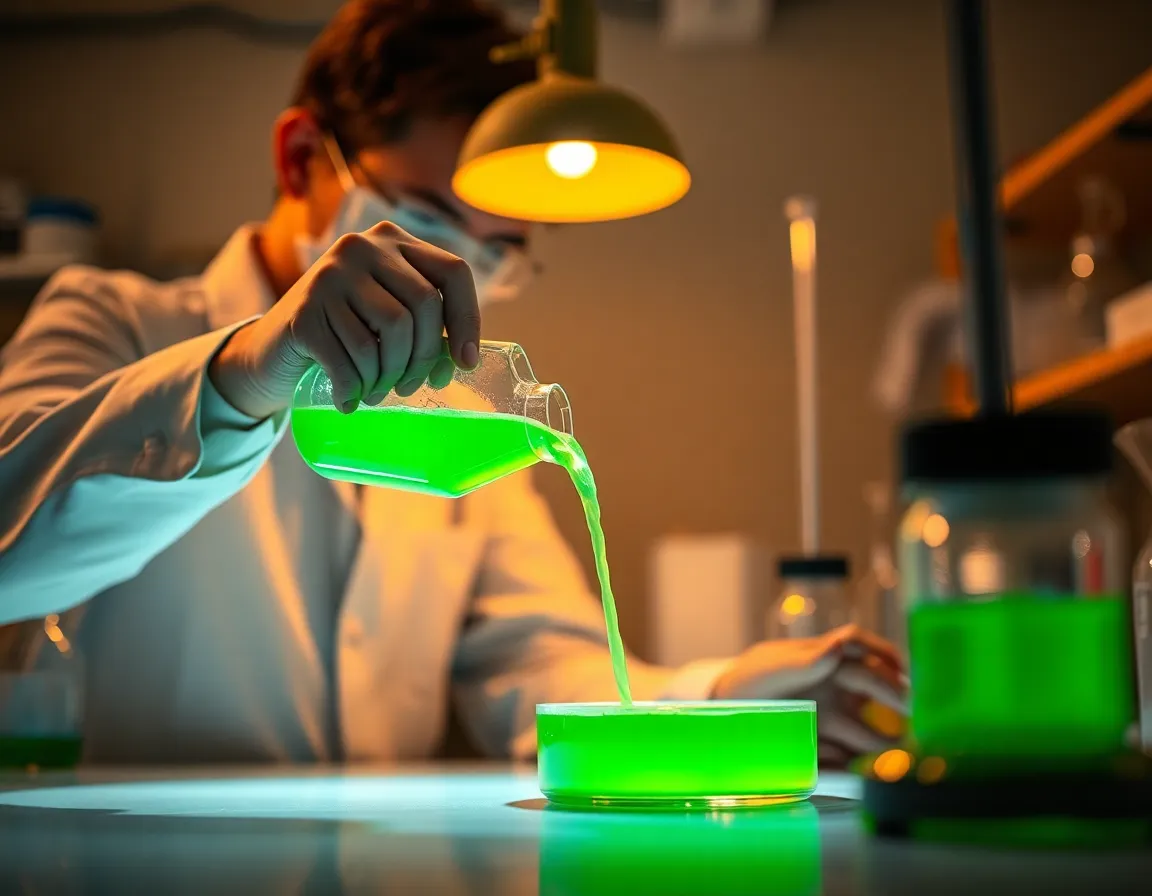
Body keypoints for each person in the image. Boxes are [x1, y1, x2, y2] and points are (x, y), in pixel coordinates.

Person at [0, 0, 902, 765]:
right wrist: (243, 374)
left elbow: (550, 671)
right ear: (302, 158)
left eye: (497, 251)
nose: (452, 265)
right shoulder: (114, 321)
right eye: (426, 219)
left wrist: (726, 693)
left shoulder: (462, 428)